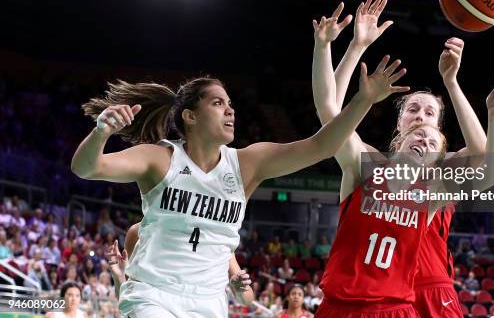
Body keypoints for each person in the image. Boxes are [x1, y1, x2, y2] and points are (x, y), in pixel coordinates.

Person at [72, 68, 404, 317]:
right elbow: (86, 168)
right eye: (218, 103)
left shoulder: (248, 163)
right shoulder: (159, 158)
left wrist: (363, 100)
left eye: (230, 104)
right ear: (190, 116)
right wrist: (101, 133)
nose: (231, 110)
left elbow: (322, 144)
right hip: (154, 294)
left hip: (209, 301)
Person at [311, 0, 494, 317]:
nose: (421, 123)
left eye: (430, 117)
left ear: (441, 146)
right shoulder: (365, 166)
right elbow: (329, 112)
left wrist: (491, 115)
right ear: (401, 129)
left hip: (405, 299)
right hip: (342, 302)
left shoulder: (434, 187)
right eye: (413, 113)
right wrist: (345, 47)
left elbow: (489, 169)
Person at [106, 222, 255, 307]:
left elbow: (247, 299)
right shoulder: (138, 233)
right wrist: (118, 277)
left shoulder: (216, 236)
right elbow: (127, 298)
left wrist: (239, 290)